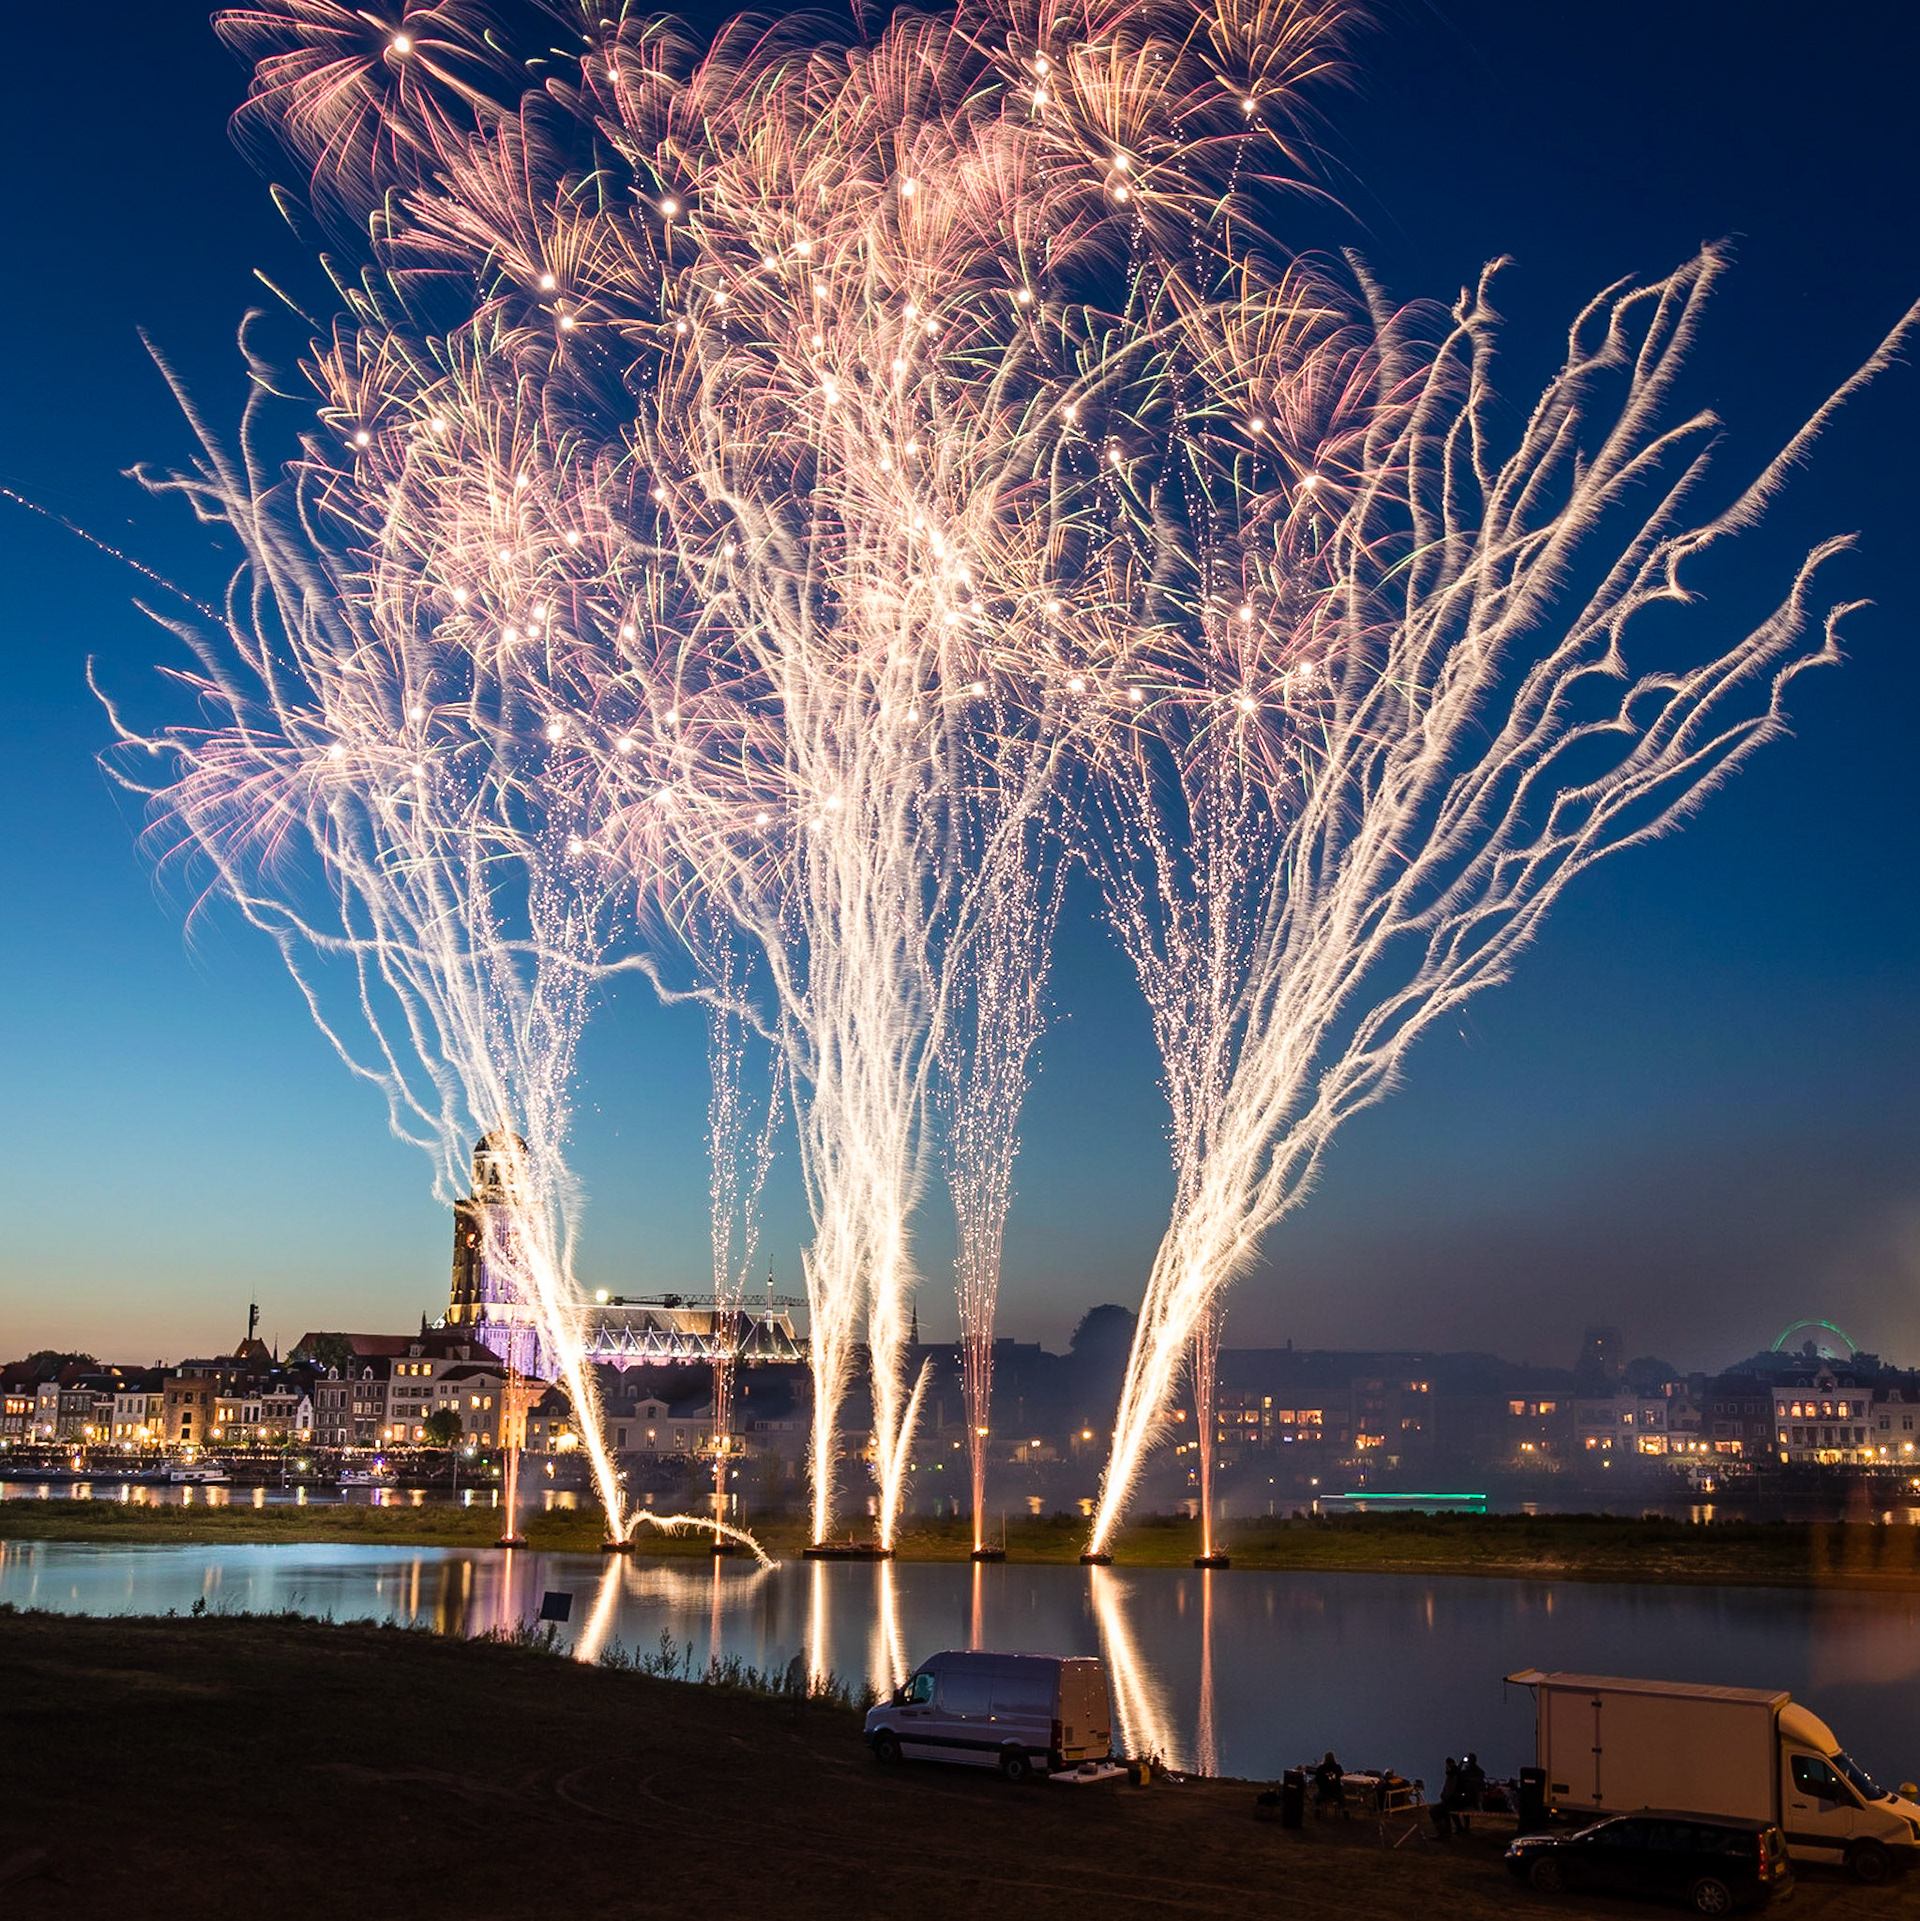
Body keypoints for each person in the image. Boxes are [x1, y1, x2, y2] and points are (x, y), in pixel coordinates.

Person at [1313, 1750, 1348, 1818]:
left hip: (1323, 1792)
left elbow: (1317, 1780)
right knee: (1342, 1798)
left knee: (1315, 1796)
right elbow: (1341, 1776)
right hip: (1336, 1792)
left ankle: (1317, 1808)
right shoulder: (1338, 1767)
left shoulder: (1321, 1768)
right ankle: (1345, 1809)